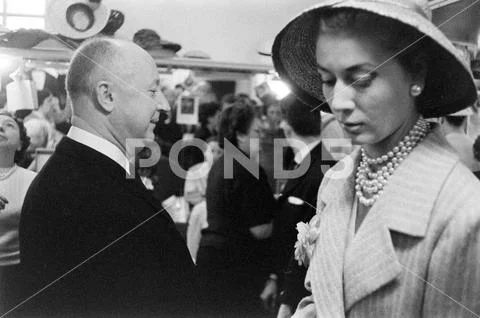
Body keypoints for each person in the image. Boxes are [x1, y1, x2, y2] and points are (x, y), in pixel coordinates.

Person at [272, 1, 480, 317]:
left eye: (362, 78)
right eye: (328, 80)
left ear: (416, 75)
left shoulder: (463, 214)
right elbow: (332, 295)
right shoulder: (336, 179)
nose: (339, 102)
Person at [15, 38, 199, 317]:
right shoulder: (85, 193)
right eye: (152, 91)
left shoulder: (86, 171)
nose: (163, 106)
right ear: (107, 96)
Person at [196, 101, 275, 317]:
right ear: (240, 135)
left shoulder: (220, 164)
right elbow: (260, 229)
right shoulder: (248, 169)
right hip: (236, 267)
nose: (262, 136)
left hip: (210, 259)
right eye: (257, 131)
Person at [259, 94, 336, 316]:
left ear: (286, 126)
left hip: (302, 295)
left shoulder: (322, 169)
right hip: (285, 281)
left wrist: (288, 299)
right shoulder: (300, 162)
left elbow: (312, 242)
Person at [0, 112, 36, 313]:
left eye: (9, 125)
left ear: (21, 144)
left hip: (17, 275)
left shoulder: (33, 181)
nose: (0, 128)